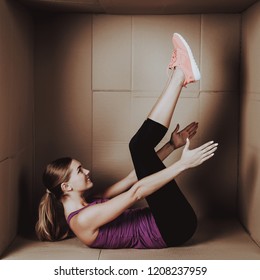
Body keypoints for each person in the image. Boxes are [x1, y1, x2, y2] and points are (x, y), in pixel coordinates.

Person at [36, 33, 218, 249]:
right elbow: (136, 192)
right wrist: (183, 164)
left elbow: (135, 177)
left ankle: (180, 76)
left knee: (140, 149)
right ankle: (180, 75)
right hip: (174, 228)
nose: (86, 171)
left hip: (169, 220)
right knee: (138, 146)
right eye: (79, 171)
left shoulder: (93, 201)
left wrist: (172, 146)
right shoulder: (82, 220)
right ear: (66, 186)